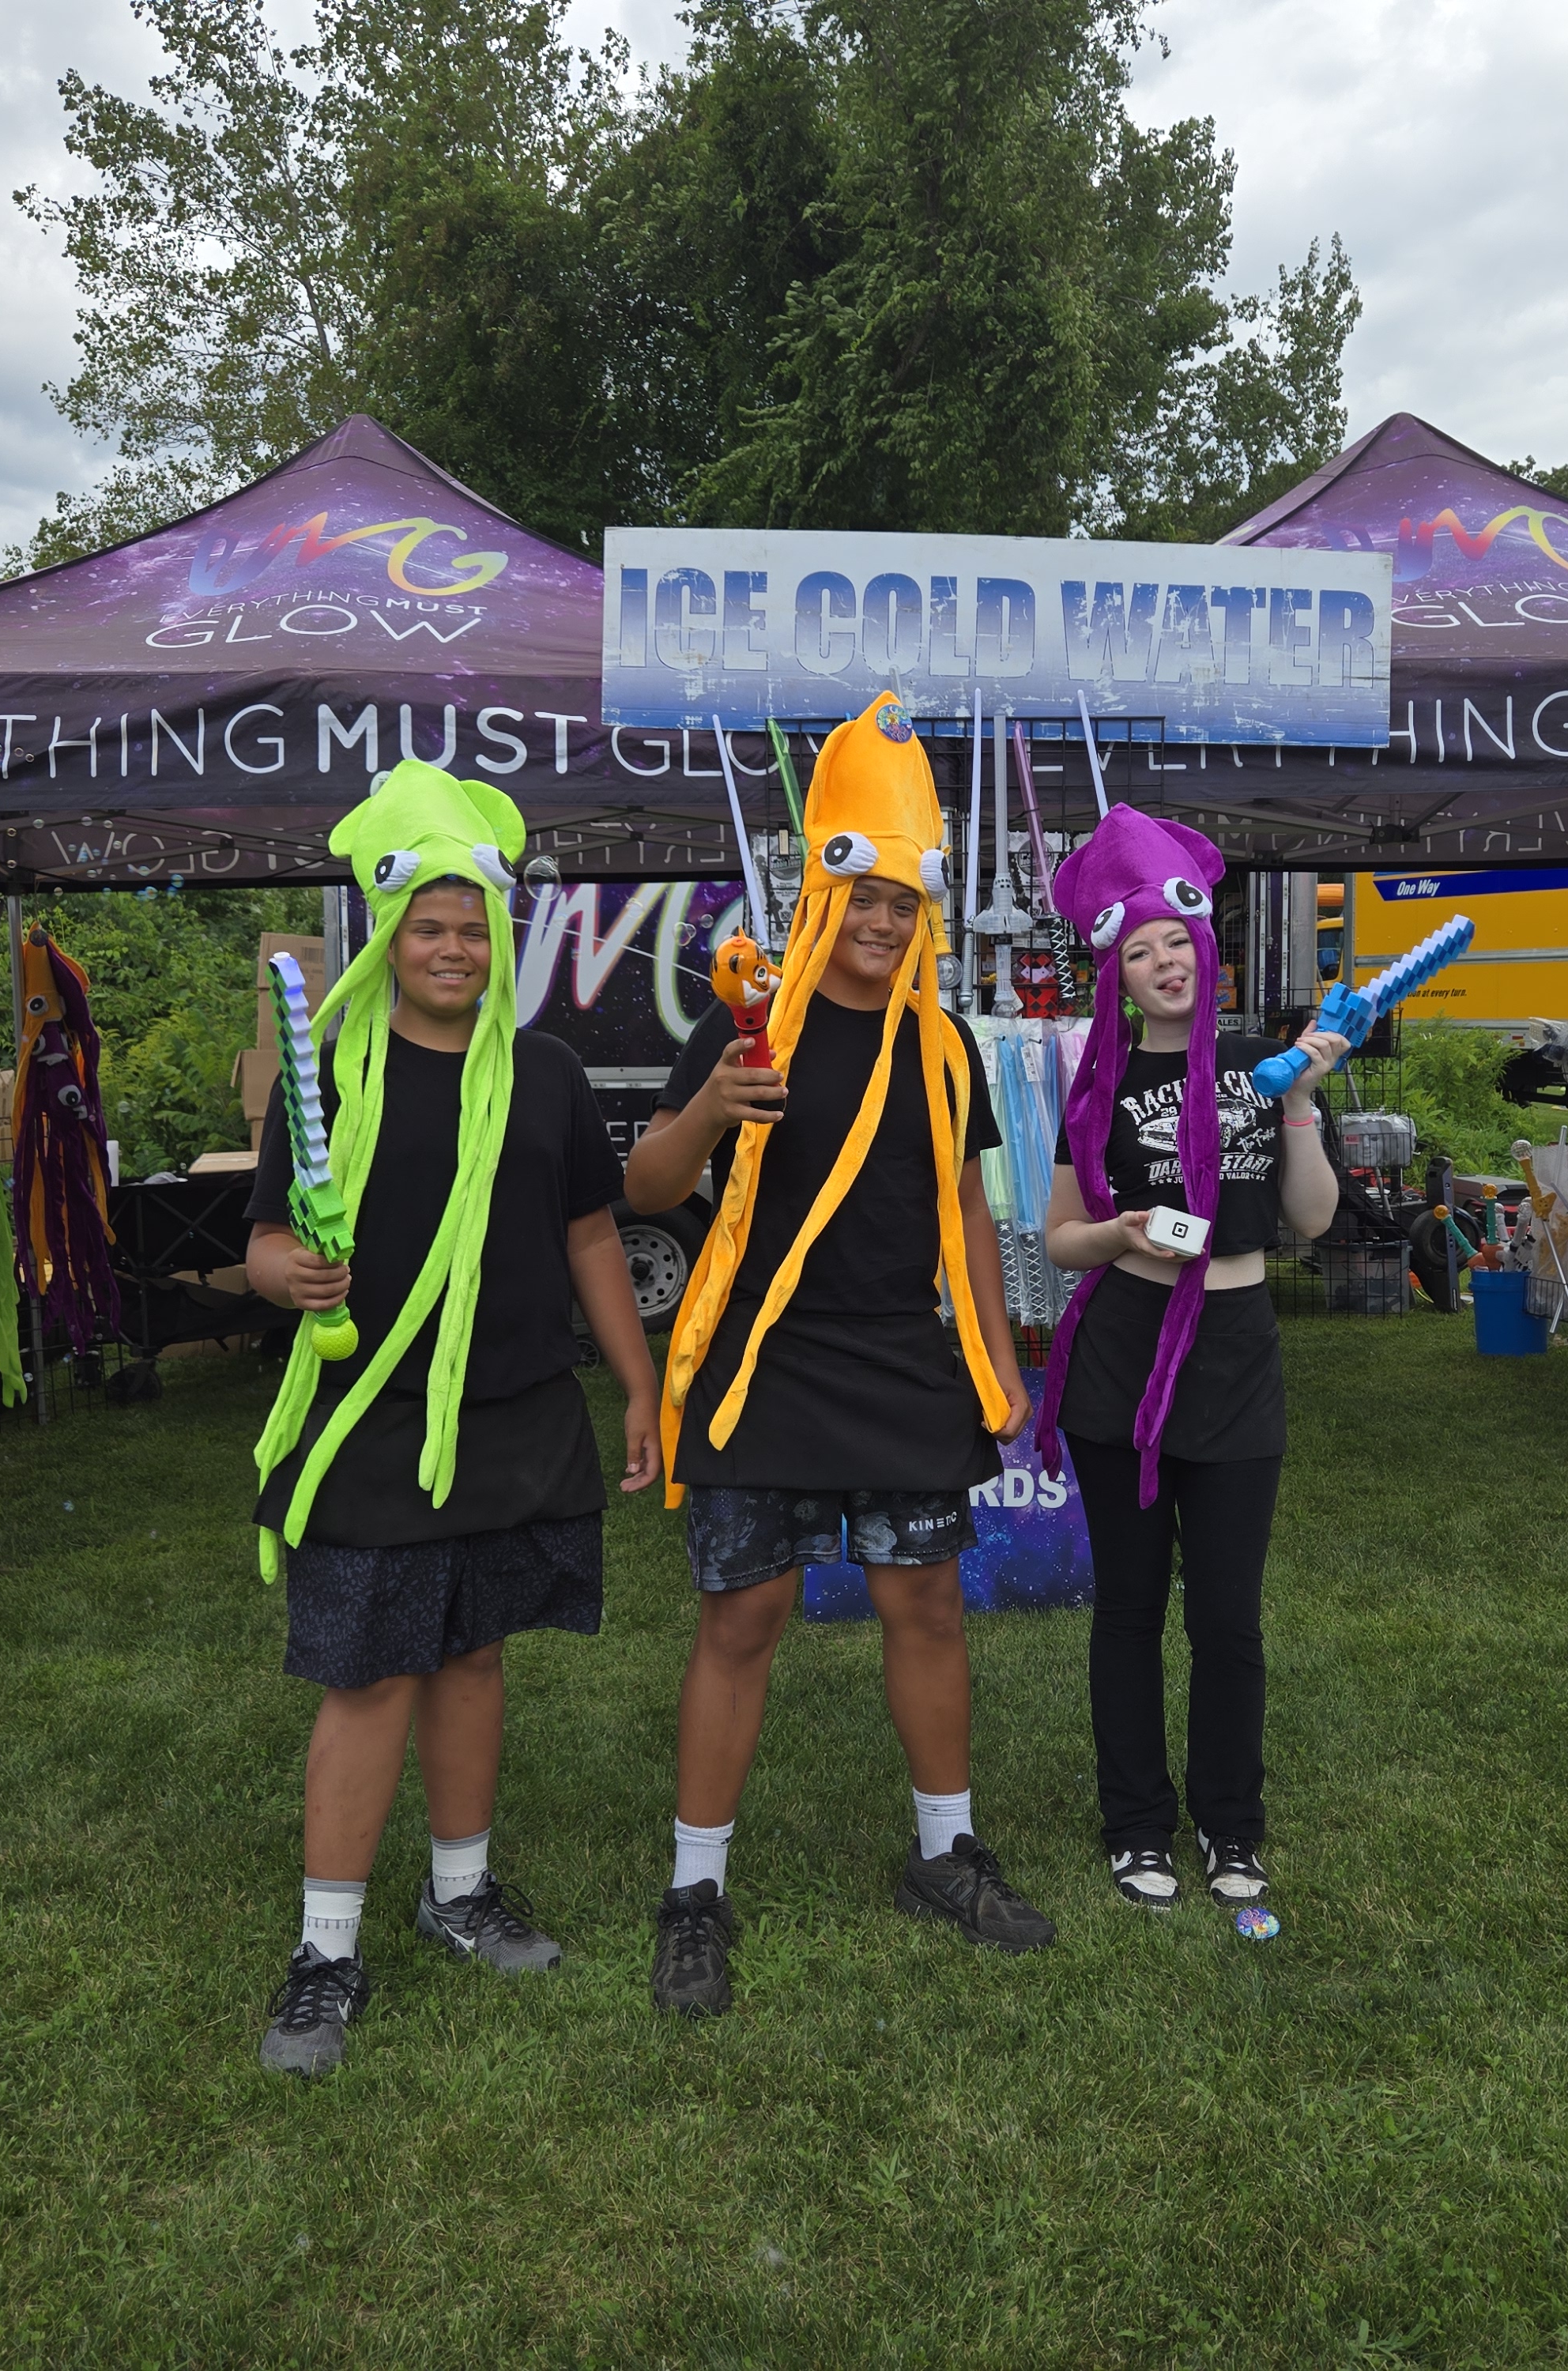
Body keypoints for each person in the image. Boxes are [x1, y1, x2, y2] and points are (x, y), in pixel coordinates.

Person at [624, 692, 1050, 2016]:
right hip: (763, 1365)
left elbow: (967, 1209)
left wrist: (996, 1348)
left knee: (924, 1603)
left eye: (903, 907)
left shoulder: (946, 1044)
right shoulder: (750, 1027)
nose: (881, 925)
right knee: (741, 1618)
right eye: (861, 899)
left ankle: (946, 1854)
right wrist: (710, 1106)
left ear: (925, 915)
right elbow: (645, 1188)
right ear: (823, 891)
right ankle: (695, 1890)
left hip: (897, 1360)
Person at [245, 761, 662, 2078]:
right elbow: (261, 1244)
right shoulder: (330, 1072)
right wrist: (291, 1277)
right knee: (370, 1673)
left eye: (472, 928)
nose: (452, 948)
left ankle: (461, 1892)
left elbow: (593, 1234)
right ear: (388, 935)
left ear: (500, 941)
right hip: (371, 1421)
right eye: (430, 926)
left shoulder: (544, 1075)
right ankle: (326, 1951)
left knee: (477, 1654)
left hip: (515, 1417)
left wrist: (641, 1382)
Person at [1034, 807, 1342, 1913]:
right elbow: (1060, 1236)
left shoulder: (1267, 1067)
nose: (1164, 963)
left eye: (1178, 942)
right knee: (1127, 1607)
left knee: (1227, 1615)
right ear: (1119, 972)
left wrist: (1302, 1102)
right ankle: (1134, 1826)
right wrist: (1118, 1236)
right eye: (1139, 952)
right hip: (1123, 1353)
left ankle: (1231, 1826)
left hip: (1236, 1350)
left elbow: (1309, 1220)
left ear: (1207, 948)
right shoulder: (1095, 1086)